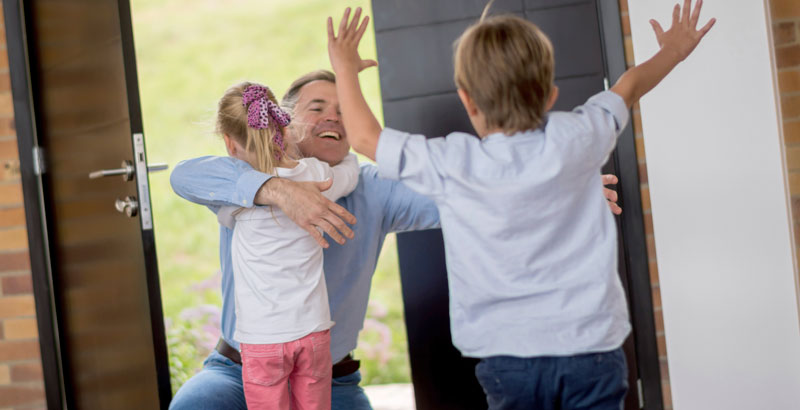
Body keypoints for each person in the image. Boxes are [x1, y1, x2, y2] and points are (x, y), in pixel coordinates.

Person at [326, 1, 714, 409]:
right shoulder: (580, 135)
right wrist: (674, 50)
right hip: (592, 349)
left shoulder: (451, 162)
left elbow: (367, 138)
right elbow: (628, 87)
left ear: (467, 100)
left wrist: (345, 68)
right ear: (550, 96)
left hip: (507, 358)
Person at [169, 71, 623, 409]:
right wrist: (279, 191)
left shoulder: (372, 187)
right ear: (287, 124)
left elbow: (469, 195)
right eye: (317, 106)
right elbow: (183, 174)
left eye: (344, 107)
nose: (333, 116)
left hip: (331, 380)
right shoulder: (244, 177)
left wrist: (561, 193)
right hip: (237, 370)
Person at [210, 81, 360, 409]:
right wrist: (350, 161)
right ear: (284, 126)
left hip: (262, 340)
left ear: (229, 143)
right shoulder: (316, 176)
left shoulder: (237, 196)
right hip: (313, 332)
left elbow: (221, 213)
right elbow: (348, 176)